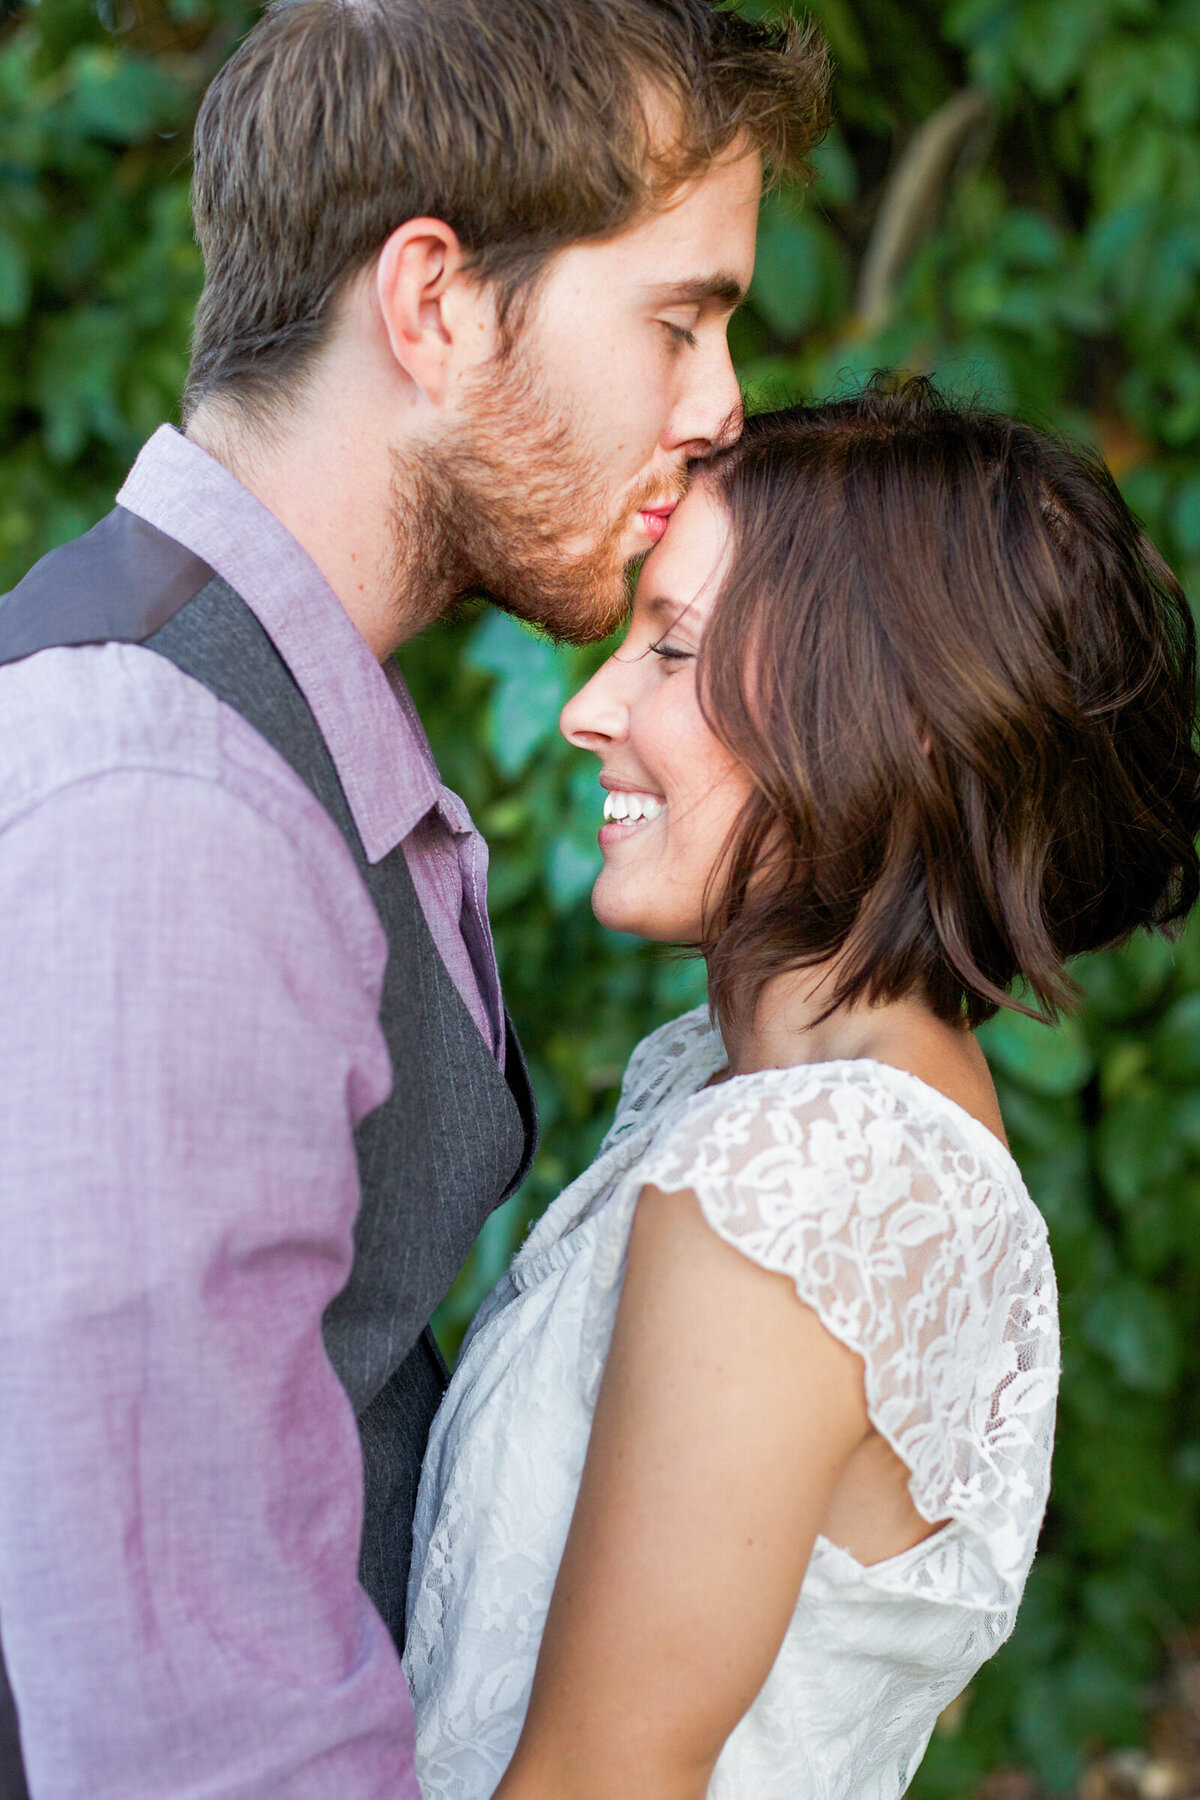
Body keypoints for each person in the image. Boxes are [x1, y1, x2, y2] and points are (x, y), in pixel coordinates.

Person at [0, 2, 830, 1794]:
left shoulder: (253, 730)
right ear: (437, 304)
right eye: (679, 319)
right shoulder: (165, 807)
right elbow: (189, 1737)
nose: (720, 406)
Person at [404, 381, 1200, 1800]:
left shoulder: (818, 1179)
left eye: (675, 650)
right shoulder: (748, 1098)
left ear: (900, 728)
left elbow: (602, 1777)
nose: (590, 710)